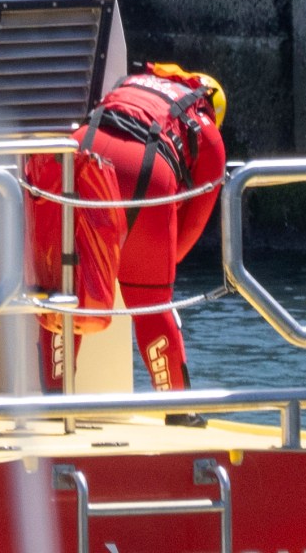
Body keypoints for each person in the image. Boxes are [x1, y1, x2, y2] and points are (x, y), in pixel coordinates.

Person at [84, 61, 227, 415]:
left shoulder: (133, 83)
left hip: (81, 148)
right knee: (150, 304)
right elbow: (186, 238)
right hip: (144, 166)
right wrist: (147, 262)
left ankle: (54, 400)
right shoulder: (206, 129)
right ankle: (177, 410)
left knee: (70, 288)